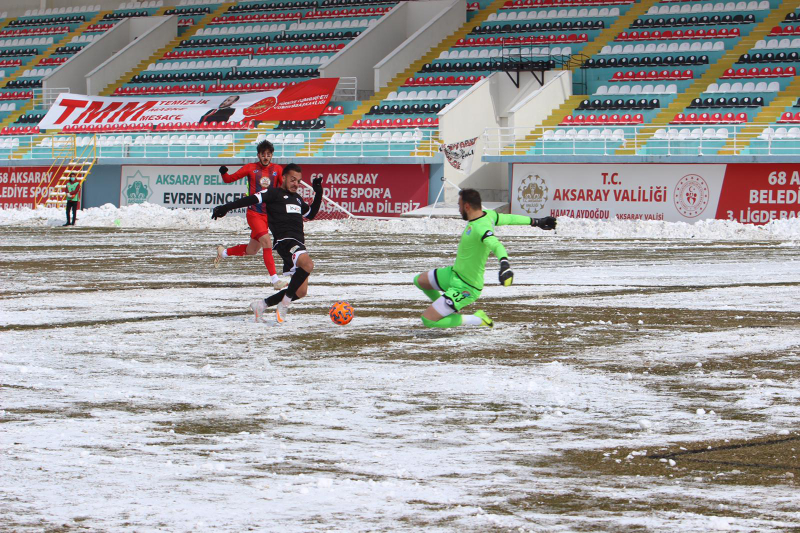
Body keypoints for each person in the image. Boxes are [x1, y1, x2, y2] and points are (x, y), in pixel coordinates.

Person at [413, 188, 557, 329]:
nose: (458, 209)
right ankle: (449, 307)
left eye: (459, 205)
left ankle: (477, 319)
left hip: (466, 286)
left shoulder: (481, 228)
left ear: (467, 206)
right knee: (419, 281)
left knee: (428, 320)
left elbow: (496, 245)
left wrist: (504, 264)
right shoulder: (488, 214)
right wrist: (537, 221)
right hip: (453, 274)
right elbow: (510, 218)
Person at [212, 163, 323, 324]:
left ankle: (261, 305)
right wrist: (226, 207)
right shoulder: (273, 193)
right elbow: (251, 199)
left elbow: (311, 214)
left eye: (298, 181)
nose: (296, 184)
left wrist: (318, 192)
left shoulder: (297, 199)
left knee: (301, 291)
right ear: (283, 178)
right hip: (285, 242)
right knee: (308, 264)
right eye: (292, 180)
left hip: (298, 244)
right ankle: (284, 304)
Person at [214, 140, 286, 289]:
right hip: (254, 213)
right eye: (263, 154)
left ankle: (224, 252)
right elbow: (229, 179)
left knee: (252, 250)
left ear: (272, 155)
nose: (266, 157)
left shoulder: (278, 169)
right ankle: (275, 281)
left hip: (269, 216)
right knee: (267, 242)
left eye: (268, 154)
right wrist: (223, 173)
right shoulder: (250, 168)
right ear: (258, 155)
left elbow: (284, 189)